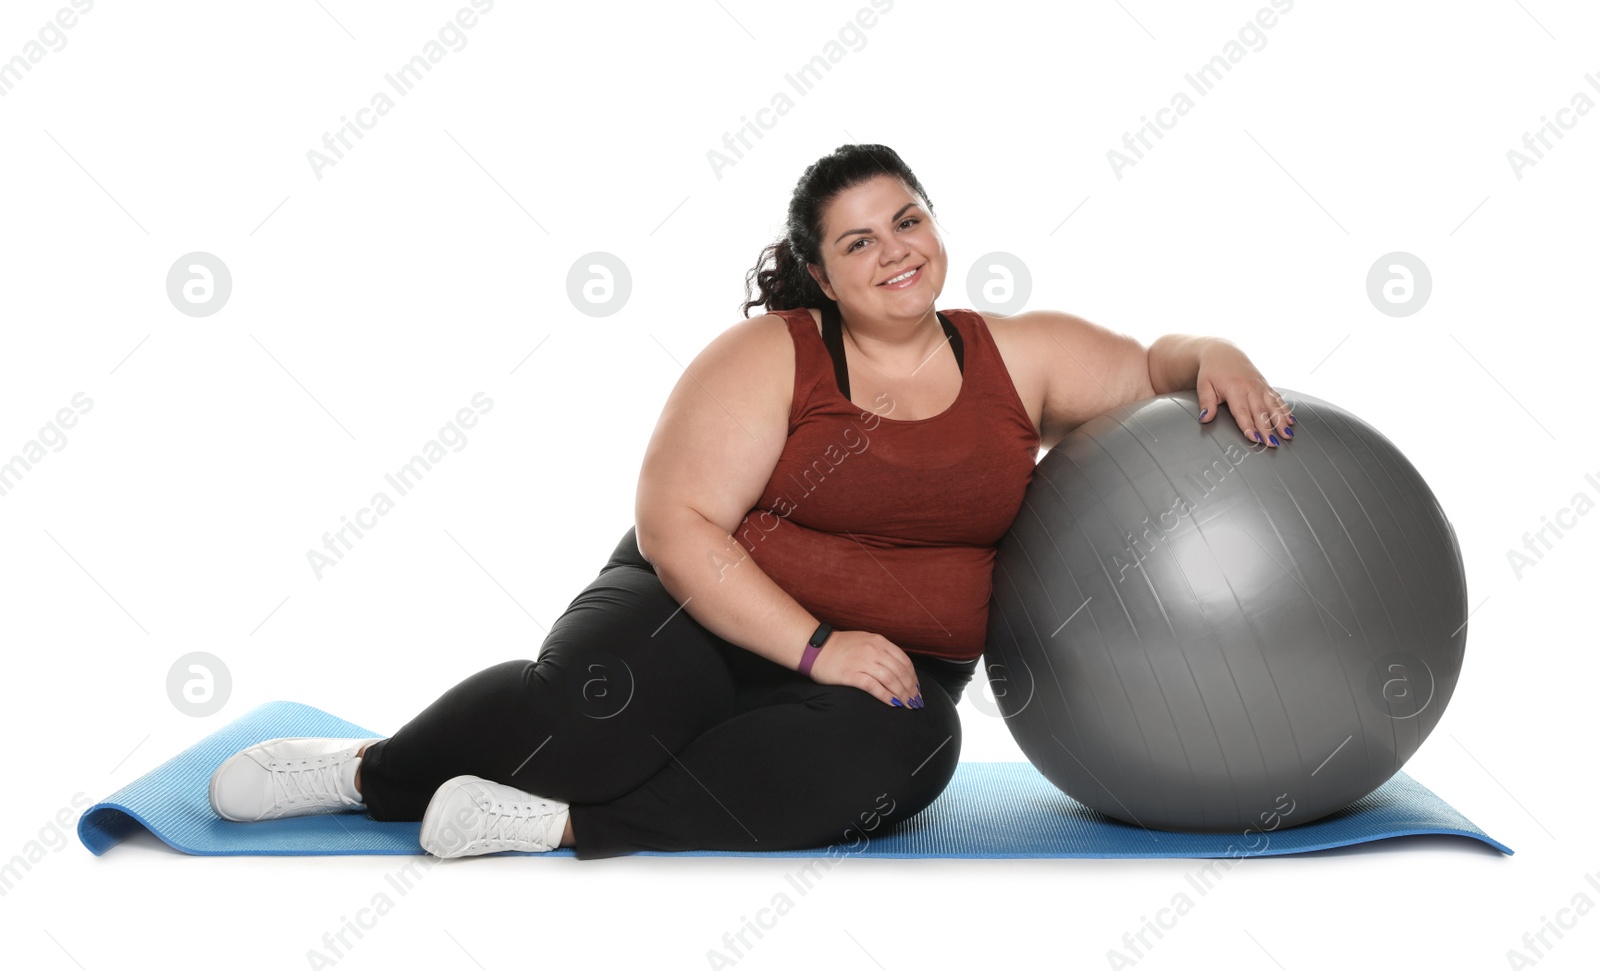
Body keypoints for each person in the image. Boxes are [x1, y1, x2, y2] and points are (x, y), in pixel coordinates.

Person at [207, 144, 1296, 860]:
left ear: (935, 226)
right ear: (820, 272)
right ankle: (366, 773)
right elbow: (678, 522)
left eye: (905, 220)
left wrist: (1220, 353)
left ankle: (569, 822)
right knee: (600, 704)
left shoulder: (1022, 354)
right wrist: (816, 643)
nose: (893, 252)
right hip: (691, 613)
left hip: (886, 666)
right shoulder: (768, 355)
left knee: (901, 763)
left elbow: (1158, 362)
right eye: (858, 240)